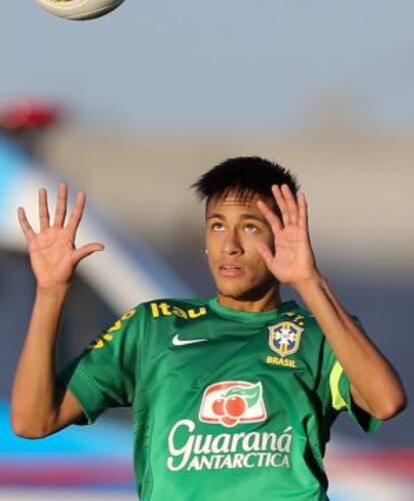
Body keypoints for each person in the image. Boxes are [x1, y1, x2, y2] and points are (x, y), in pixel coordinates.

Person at [11, 156, 406, 501]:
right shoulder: (153, 326)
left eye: (249, 228)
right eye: (217, 226)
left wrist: (309, 281)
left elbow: (385, 402)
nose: (229, 245)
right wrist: (50, 292)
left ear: (285, 235)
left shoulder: (318, 331)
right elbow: (33, 421)